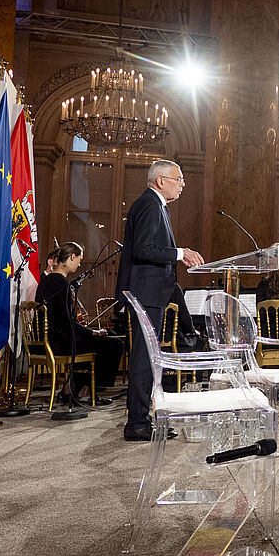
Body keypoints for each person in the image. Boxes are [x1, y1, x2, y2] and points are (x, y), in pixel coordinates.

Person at [115, 161, 204, 442]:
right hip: (146, 293)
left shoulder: (155, 205)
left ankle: (143, 418)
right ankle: (137, 423)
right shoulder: (150, 205)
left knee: (149, 358)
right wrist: (180, 253)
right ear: (161, 181)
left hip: (151, 293)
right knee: (144, 358)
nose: (183, 184)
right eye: (179, 179)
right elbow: (144, 249)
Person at [34, 243, 125, 407]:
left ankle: (70, 388)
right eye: (79, 260)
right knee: (114, 344)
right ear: (72, 257)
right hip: (59, 342)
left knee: (107, 337)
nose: (79, 264)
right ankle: (86, 390)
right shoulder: (61, 285)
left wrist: (89, 332)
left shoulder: (46, 281)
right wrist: (91, 332)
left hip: (49, 339)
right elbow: (67, 322)